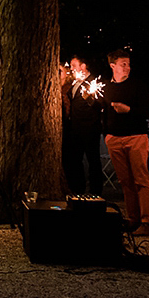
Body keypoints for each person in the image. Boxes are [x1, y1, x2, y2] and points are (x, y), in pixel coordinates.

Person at [101, 49, 149, 235]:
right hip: (114, 139)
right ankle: (133, 219)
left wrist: (129, 110)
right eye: (123, 64)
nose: (127, 67)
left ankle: (147, 221)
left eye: (128, 64)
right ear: (112, 65)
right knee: (125, 181)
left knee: (141, 179)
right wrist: (107, 135)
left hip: (136, 136)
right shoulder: (107, 88)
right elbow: (104, 113)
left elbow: (146, 113)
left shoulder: (138, 86)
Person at [62, 56, 104, 196]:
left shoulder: (92, 82)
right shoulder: (75, 83)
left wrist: (90, 99)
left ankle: (96, 192)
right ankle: (77, 190)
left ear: (83, 66)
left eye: (74, 65)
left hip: (89, 129)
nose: (71, 68)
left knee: (93, 161)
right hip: (75, 129)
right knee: (75, 161)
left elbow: (101, 106)